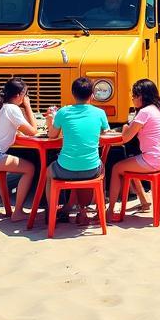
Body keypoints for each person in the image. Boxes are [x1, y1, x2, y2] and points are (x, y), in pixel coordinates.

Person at [44, 77, 110, 225]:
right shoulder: (100, 113)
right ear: (92, 95)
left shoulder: (63, 112)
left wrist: (51, 122)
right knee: (100, 167)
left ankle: (52, 211)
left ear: (73, 93)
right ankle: (93, 211)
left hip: (65, 169)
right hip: (91, 170)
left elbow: (52, 135)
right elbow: (106, 133)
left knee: (49, 172)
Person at [106, 78, 160, 220]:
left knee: (117, 168)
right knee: (130, 163)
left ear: (141, 97)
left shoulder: (144, 112)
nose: (133, 99)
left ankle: (110, 210)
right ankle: (143, 200)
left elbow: (126, 138)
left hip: (153, 161)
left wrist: (124, 127)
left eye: (134, 96)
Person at [0, 76, 37, 222]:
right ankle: (18, 212)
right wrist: (28, 106)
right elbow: (33, 131)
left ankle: (8, 208)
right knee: (30, 169)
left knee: (4, 170)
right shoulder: (12, 108)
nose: (25, 98)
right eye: (25, 94)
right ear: (18, 95)